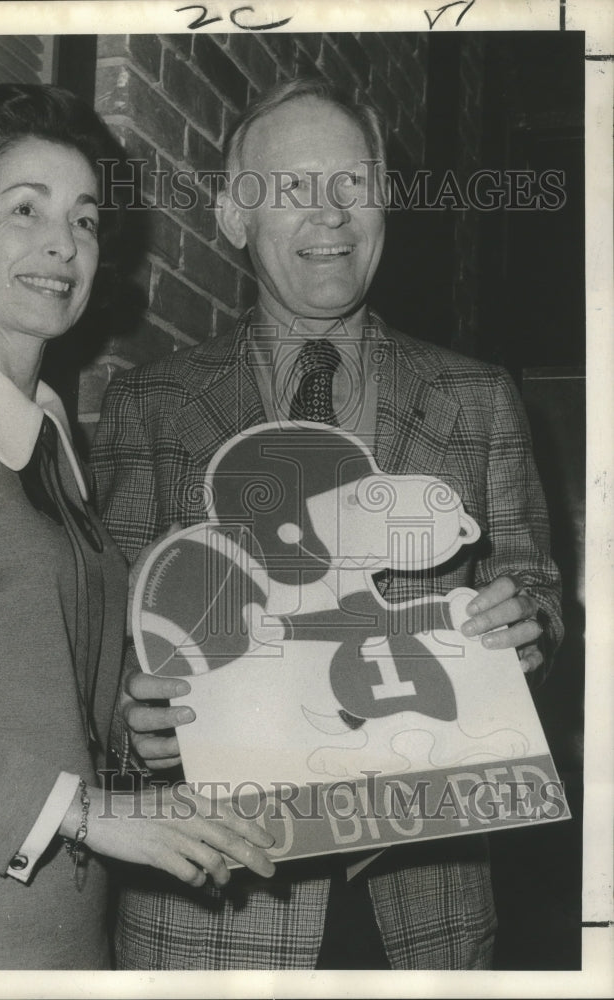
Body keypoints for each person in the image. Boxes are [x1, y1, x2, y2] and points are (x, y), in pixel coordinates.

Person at [90, 78, 564, 969]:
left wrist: (527, 626)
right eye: (292, 187)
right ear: (234, 216)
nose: (330, 214)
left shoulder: (476, 396)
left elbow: (534, 585)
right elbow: (98, 641)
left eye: (352, 182)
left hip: (423, 902)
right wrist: (130, 722)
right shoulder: (148, 405)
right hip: (216, 910)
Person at [0, 83, 275, 971]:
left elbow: (40, 695)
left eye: (84, 220)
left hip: (63, 940)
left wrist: (136, 725)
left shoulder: (57, 449)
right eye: (24, 209)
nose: (61, 245)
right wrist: (88, 811)